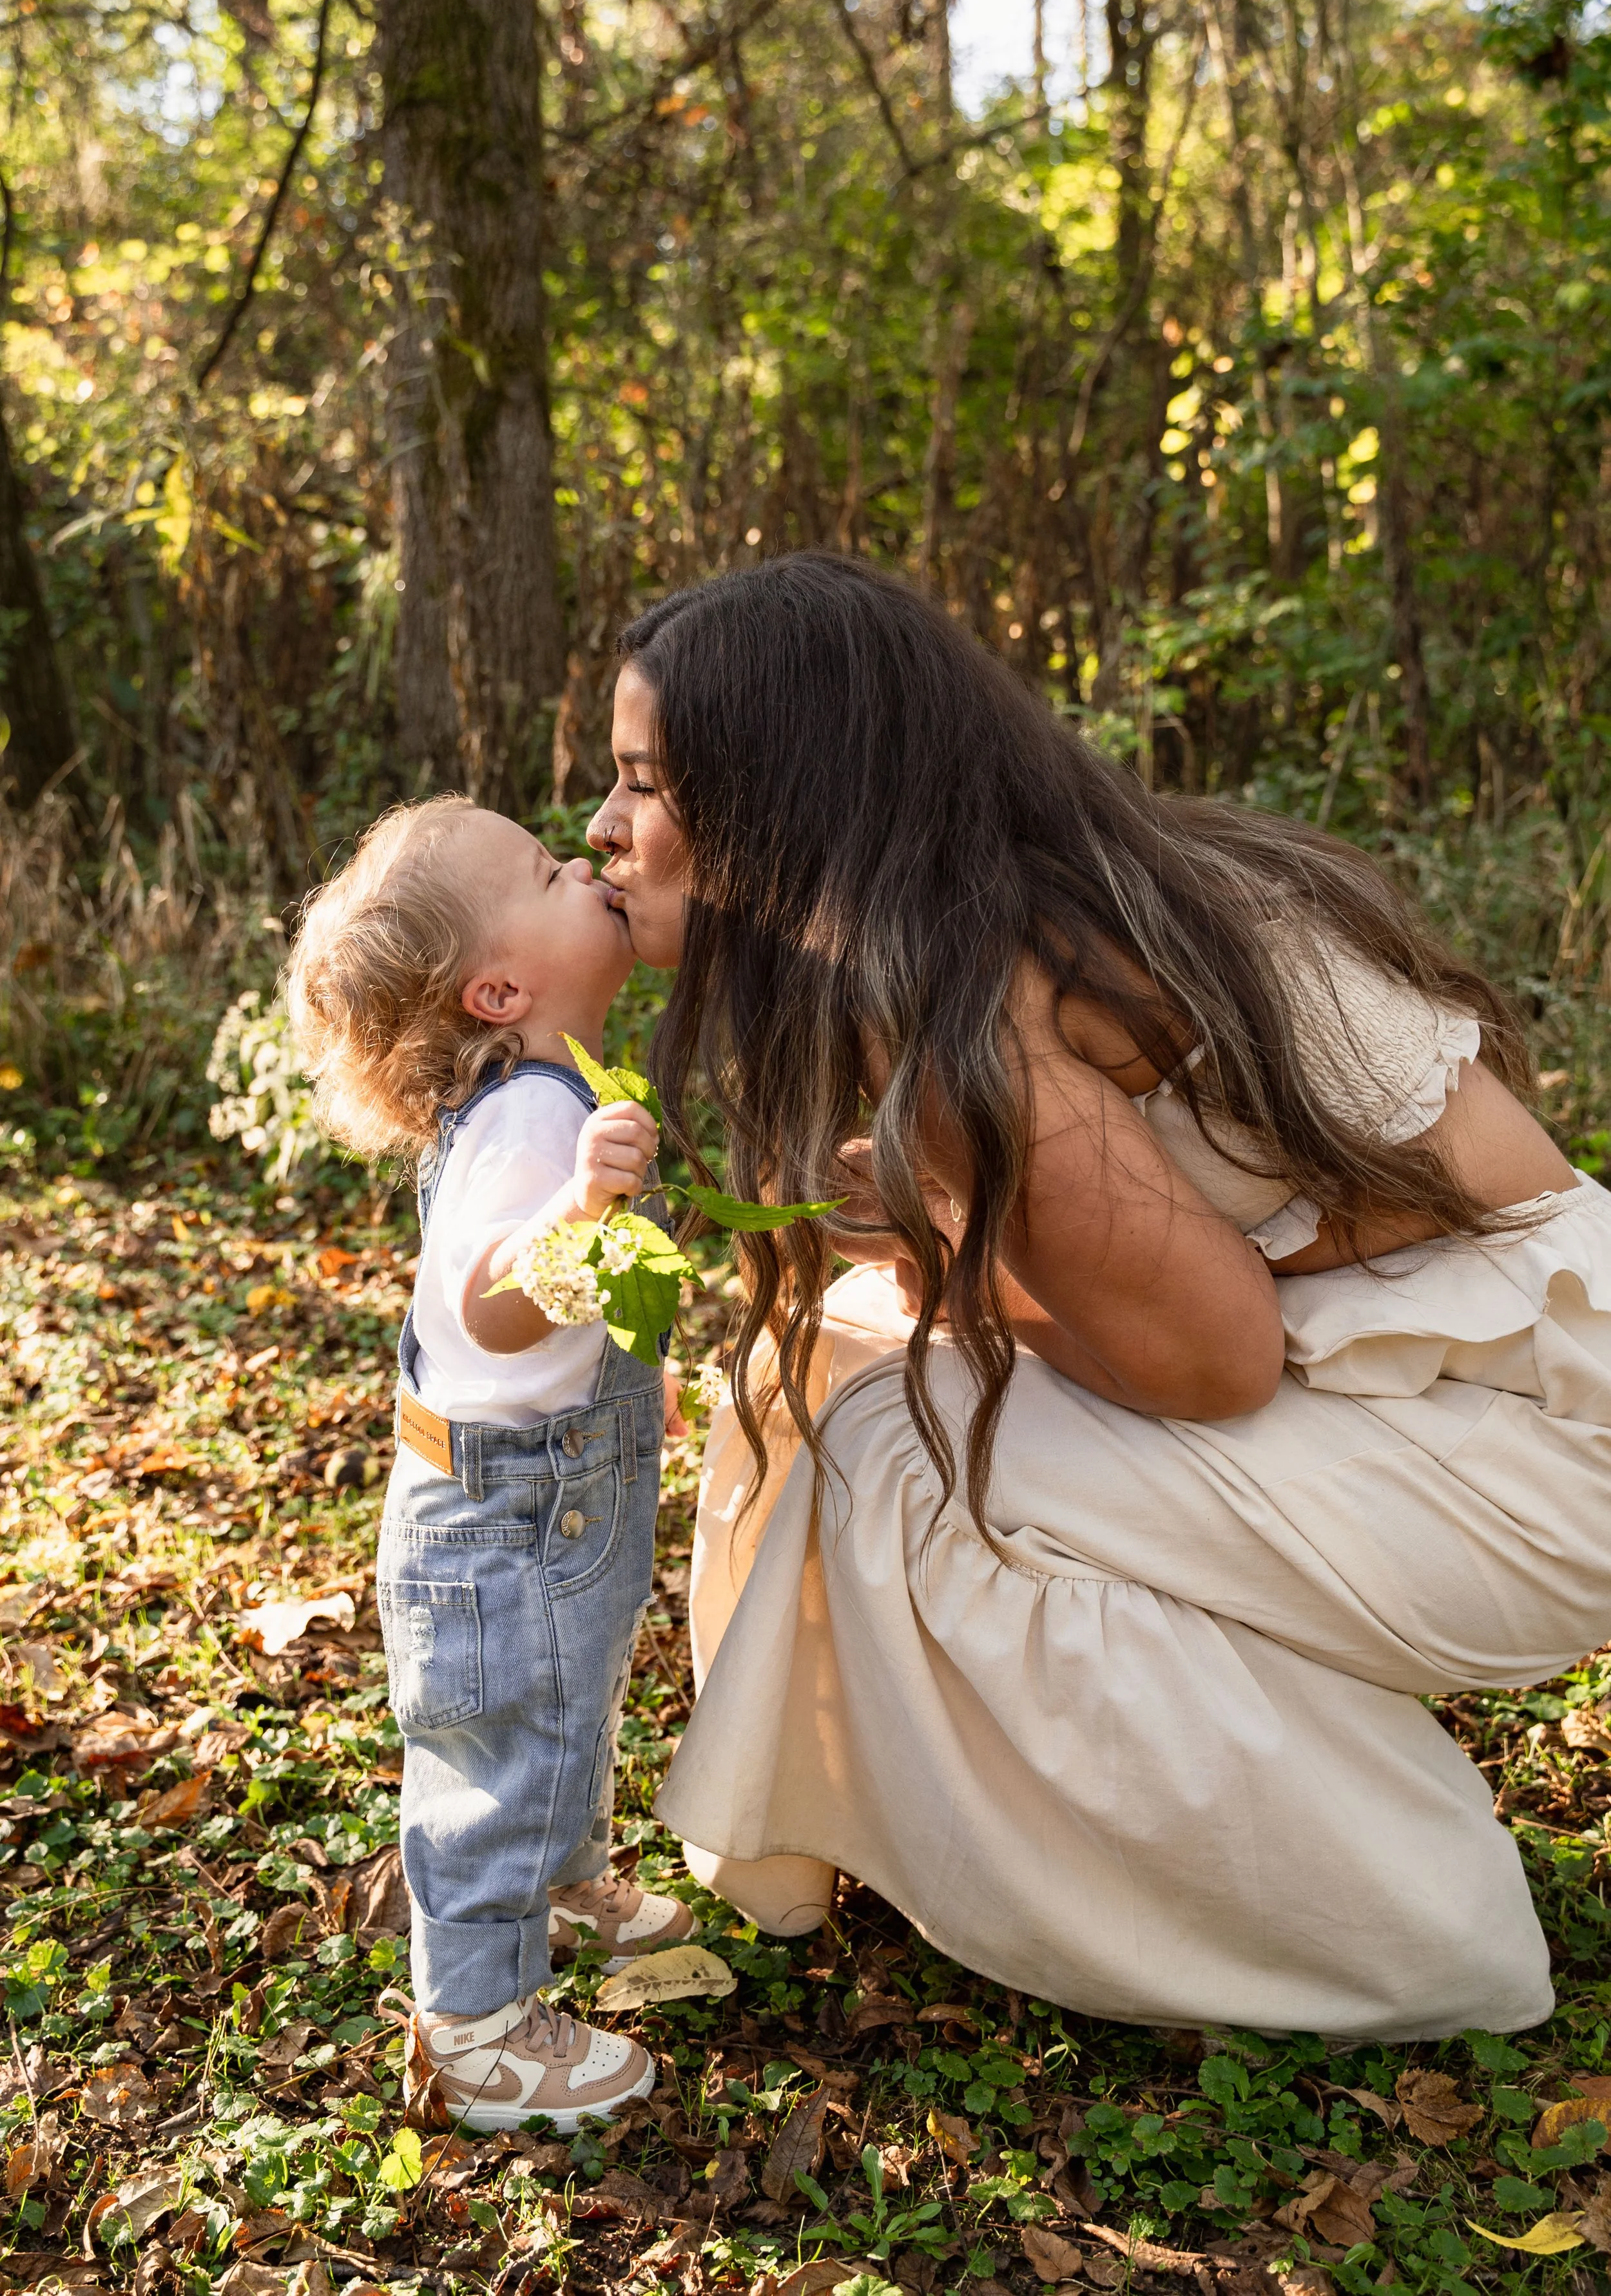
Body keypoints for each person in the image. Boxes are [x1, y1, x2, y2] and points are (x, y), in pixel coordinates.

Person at [584, 551, 1611, 2040]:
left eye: (644, 788)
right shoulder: (1040, 908)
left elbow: (1208, 1362)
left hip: (1525, 1438)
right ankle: (821, 1836)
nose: (607, 831)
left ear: (781, 795)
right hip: (1472, 1373)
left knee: (902, 1444)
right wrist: (943, 1247)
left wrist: (947, 1236)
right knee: (834, 1358)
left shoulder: (979, 1004)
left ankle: (1391, 1930)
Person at [285, 796, 693, 2130]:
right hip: (509, 1514)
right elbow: (493, 1307)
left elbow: (549, 1330)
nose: (582, 859)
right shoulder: (532, 1121)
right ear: (501, 986)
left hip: (544, 1486)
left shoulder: (531, 1092)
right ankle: (476, 2027)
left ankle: (561, 1879)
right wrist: (584, 1209)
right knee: (500, 1748)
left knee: (561, 1703)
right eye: (544, 868)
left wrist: (633, 1371)